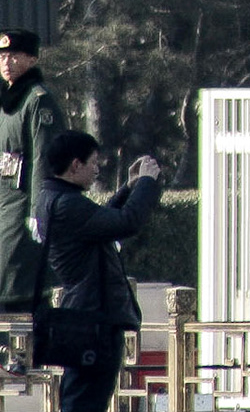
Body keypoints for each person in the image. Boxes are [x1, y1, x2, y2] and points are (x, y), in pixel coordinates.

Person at [36, 130, 163, 412]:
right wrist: (146, 182)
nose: (96, 170)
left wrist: (128, 188)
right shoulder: (67, 204)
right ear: (75, 165)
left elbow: (99, 223)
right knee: (85, 402)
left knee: (81, 398)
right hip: (93, 320)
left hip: (83, 315)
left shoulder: (54, 198)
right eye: (93, 162)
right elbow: (126, 222)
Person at [0, 30, 65, 310]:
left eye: (14, 56)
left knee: (17, 282)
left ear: (32, 59)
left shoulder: (38, 100)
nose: (6, 62)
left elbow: (44, 158)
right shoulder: (5, 100)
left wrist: (39, 210)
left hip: (21, 204)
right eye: (2, 56)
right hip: (3, 202)